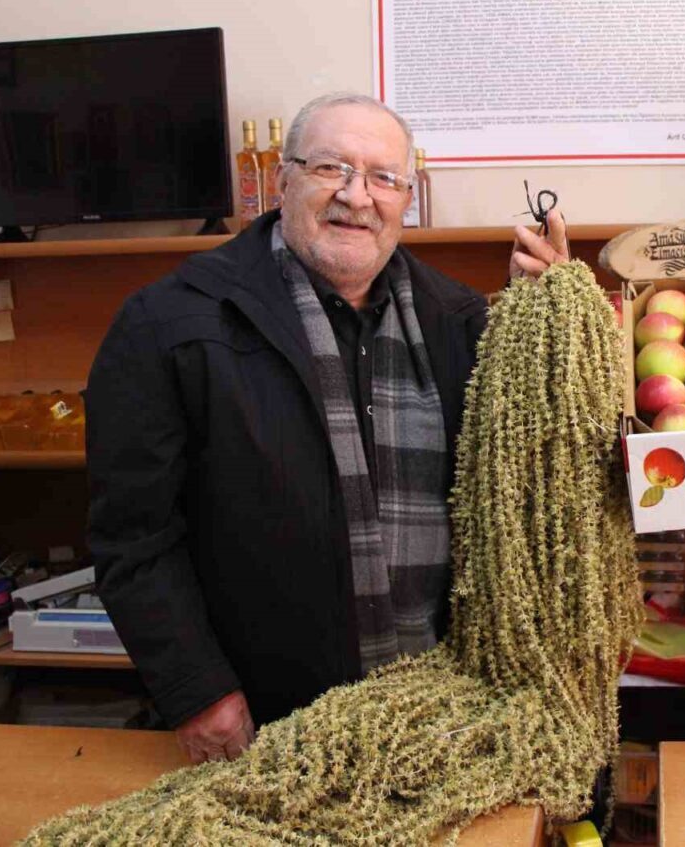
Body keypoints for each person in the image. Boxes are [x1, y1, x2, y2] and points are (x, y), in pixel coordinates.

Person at [87, 92, 568, 764]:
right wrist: (197, 689)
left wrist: (538, 320)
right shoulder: (169, 324)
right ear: (282, 180)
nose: (356, 196)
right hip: (267, 723)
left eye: (383, 178)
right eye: (330, 168)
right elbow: (133, 537)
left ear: (406, 199)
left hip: (440, 716)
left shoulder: (458, 321)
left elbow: (523, 483)